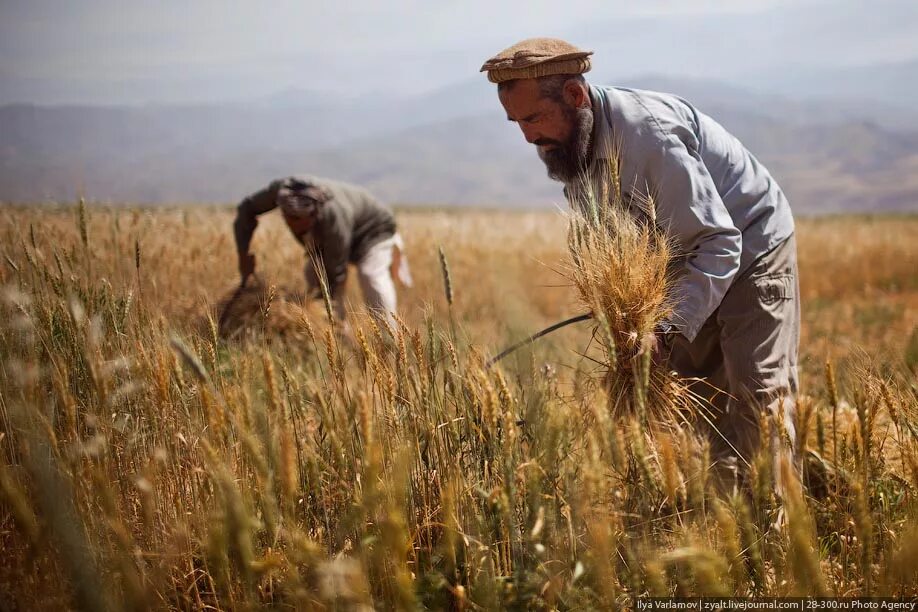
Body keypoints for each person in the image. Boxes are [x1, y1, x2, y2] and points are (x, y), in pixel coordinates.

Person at [480, 38, 799, 476]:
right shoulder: (571, 143)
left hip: (750, 246)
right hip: (684, 259)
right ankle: (728, 517)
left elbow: (719, 241)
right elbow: (604, 241)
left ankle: (775, 528)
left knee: (755, 396)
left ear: (575, 95)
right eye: (515, 121)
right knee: (701, 400)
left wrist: (665, 328)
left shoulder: (649, 136)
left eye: (534, 117)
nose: (529, 136)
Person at [233, 175, 412, 326]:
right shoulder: (279, 191)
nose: (294, 225)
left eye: (301, 219)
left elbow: (336, 274)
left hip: (374, 231)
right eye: (289, 218)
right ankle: (339, 339)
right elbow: (245, 211)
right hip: (334, 233)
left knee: (370, 275)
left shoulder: (334, 216)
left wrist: (328, 312)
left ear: (315, 213)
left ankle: (391, 339)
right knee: (313, 275)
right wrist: (243, 256)